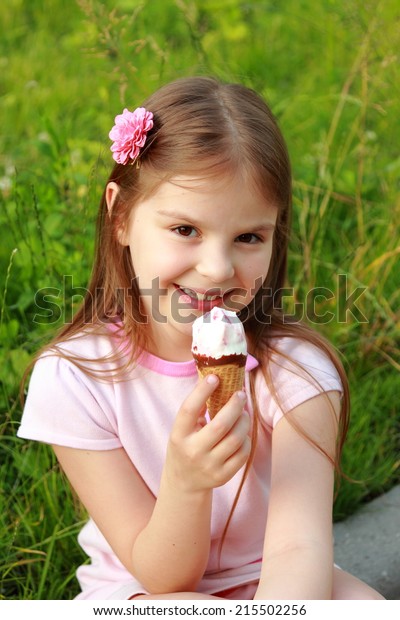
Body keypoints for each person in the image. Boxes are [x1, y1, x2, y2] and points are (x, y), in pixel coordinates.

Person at [18, 76, 384, 600]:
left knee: (364, 605)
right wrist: (187, 483)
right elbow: (165, 579)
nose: (216, 269)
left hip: (268, 577)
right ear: (121, 216)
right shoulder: (76, 377)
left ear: (275, 232)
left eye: (248, 237)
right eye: (186, 229)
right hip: (143, 589)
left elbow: (298, 550)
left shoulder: (297, 373)